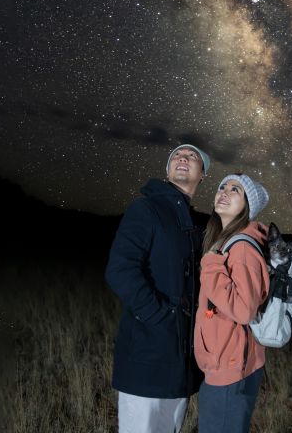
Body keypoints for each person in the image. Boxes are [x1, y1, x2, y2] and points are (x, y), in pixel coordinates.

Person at [105, 144, 211, 433]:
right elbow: (120, 269)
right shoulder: (146, 208)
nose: (183, 158)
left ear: (202, 175)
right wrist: (158, 315)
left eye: (192, 157)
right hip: (147, 355)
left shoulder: (196, 224)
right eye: (177, 155)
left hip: (180, 365)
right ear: (167, 170)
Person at [194, 173, 271, 433]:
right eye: (222, 187)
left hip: (231, 369)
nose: (224, 192)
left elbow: (243, 310)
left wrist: (210, 266)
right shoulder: (228, 242)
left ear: (247, 205)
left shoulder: (241, 249)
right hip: (227, 362)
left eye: (235, 190)